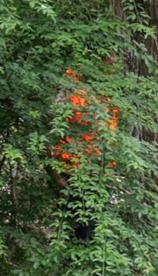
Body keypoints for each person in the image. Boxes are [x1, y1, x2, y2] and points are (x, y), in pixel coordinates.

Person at [46, 67, 119, 241]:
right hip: (73, 173)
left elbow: (110, 137)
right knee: (80, 231)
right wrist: (55, 174)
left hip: (99, 174)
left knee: (97, 232)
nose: (115, 60)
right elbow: (51, 133)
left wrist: (109, 170)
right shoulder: (72, 90)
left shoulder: (109, 94)